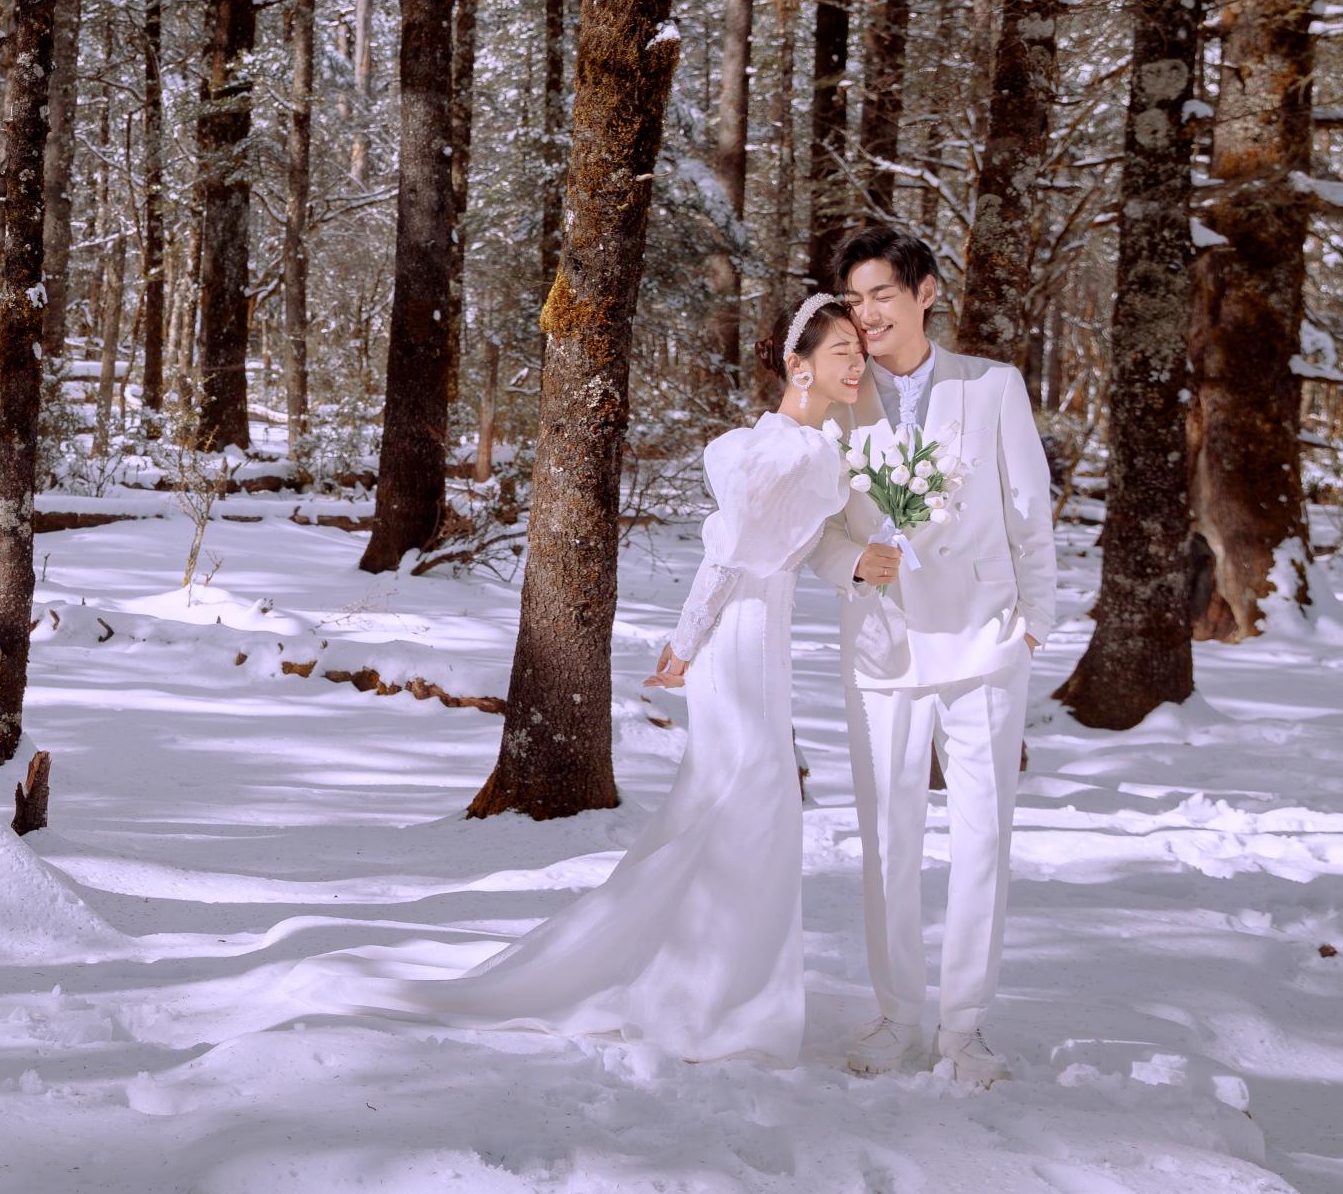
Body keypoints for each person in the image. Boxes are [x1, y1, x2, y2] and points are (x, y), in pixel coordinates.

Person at [283, 296, 864, 1065]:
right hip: (738, 637)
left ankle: (715, 987)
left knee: (739, 805)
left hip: (768, 631)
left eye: (860, 351)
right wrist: (687, 644)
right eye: (842, 352)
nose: (857, 363)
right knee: (752, 800)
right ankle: (711, 1002)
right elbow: (727, 555)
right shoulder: (782, 452)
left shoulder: (808, 446)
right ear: (800, 366)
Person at [818, 226, 1056, 1089]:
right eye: (854, 299)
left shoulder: (992, 387)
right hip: (883, 639)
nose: (867, 314)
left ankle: (966, 1028)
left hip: (987, 638)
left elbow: (1029, 508)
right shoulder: (836, 395)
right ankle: (897, 1016)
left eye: (882, 294)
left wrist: (1036, 618)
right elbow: (810, 524)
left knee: (984, 836)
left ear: (925, 294)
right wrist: (848, 560)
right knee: (887, 836)